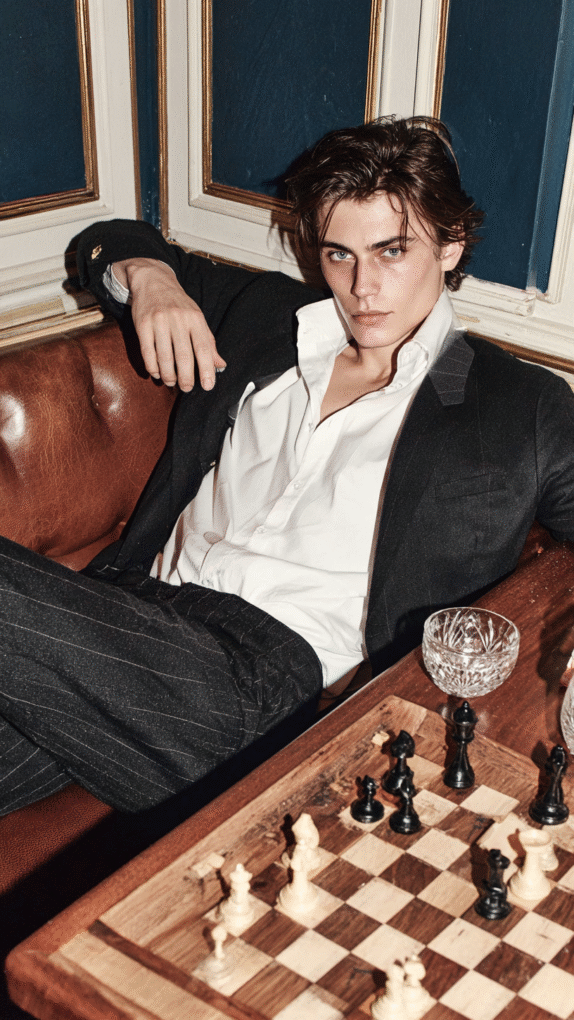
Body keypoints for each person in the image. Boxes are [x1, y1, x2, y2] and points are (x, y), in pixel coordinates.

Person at [1, 116, 573, 817]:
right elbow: (109, 241)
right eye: (338, 254)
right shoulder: (271, 317)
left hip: (263, 682)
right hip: (129, 622)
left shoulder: (518, 404)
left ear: (450, 243)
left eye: (392, 251)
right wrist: (152, 281)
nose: (361, 287)